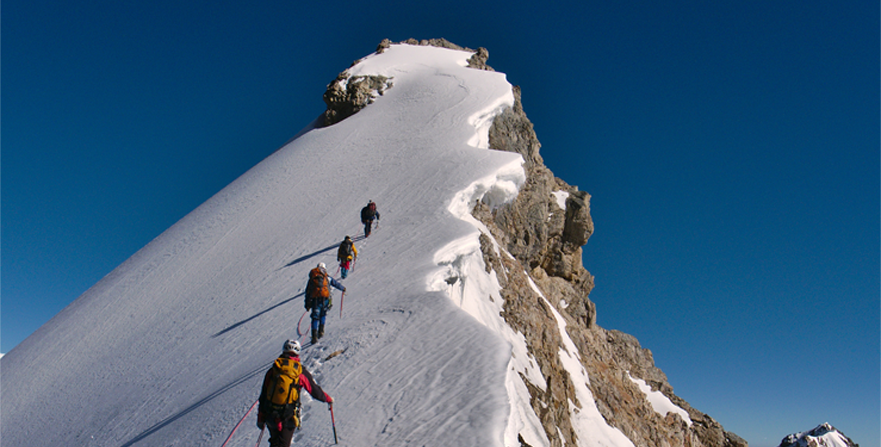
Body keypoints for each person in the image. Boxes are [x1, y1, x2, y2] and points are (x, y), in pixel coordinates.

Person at [257, 339, 333, 447]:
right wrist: (327, 399)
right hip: (288, 415)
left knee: (274, 441)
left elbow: (263, 395)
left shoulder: (274, 369)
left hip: (271, 414)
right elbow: (314, 390)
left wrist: (260, 417)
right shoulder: (299, 371)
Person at [304, 262, 345, 344]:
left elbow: (308, 292)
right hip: (325, 299)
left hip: (315, 300)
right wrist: (343, 288)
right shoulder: (326, 277)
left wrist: (307, 304)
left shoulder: (312, 279)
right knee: (323, 314)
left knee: (315, 318)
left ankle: (314, 336)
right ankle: (321, 331)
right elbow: (335, 283)